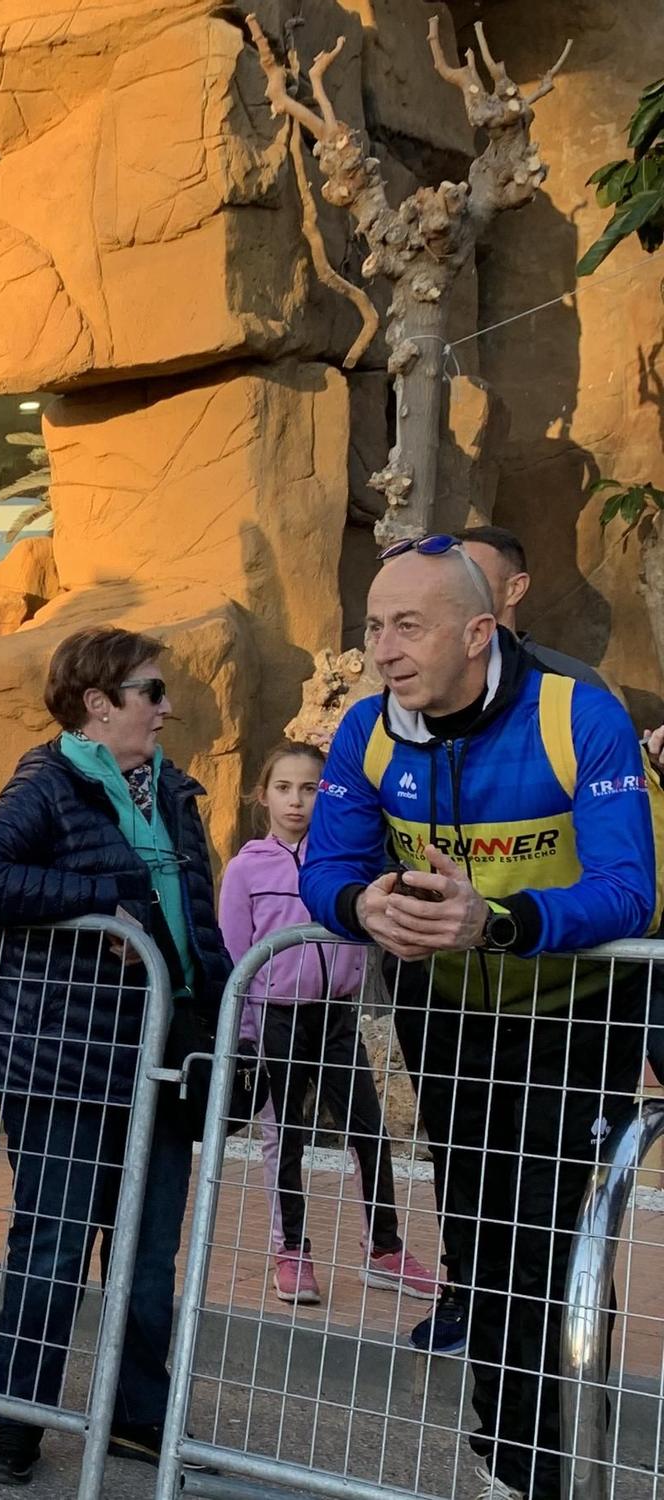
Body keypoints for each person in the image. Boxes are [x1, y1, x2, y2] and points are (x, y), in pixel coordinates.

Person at [301, 535, 654, 1500]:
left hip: (573, 1013)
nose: (382, 649)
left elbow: (631, 893)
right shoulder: (369, 729)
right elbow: (325, 868)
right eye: (373, 626)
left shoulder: (576, 713)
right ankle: (508, 1461)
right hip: (446, 1012)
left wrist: (492, 920)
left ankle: (554, 1463)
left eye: (407, 626)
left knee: (552, 1238)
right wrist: (358, 907)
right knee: (478, 1233)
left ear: (478, 631)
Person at [0, 625, 233, 1485]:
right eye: (151, 692)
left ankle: (139, 1419)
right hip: (65, 1064)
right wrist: (102, 900)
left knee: (148, 1260)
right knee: (54, 1249)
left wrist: (227, 1031)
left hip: (165, 1060)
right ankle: (21, 1425)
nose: (167, 707)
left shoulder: (174, 794)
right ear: (97, 703)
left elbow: (198, 926)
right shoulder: (47, 780)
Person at [219, 742, 436, 1304]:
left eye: (310, 788)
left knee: (370, 1129)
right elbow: (235, 956)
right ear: (262, 795)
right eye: (284, 788)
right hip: (275, 1020)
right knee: (283, 1136)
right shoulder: (246, 868)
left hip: (337, 1016)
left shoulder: (343, 862)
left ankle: (383, 1249)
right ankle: (290, 1250)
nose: (296, 801)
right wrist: (243, 1038)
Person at [454, 526, 611, 692]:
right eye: (448, 576)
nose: (452, 587)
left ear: (515, 589)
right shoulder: (430, 675)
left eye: (471, 574)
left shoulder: (573, 683)